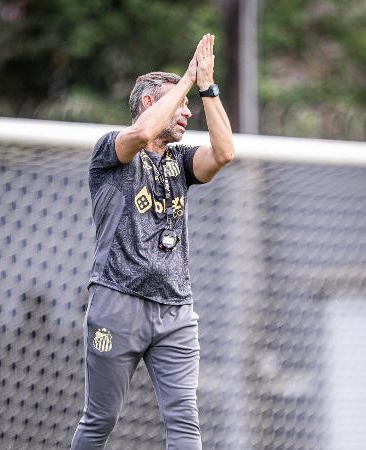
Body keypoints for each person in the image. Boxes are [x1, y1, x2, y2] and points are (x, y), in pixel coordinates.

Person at [71, 34, 234, 450]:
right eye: (179, 105)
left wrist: (206, 86)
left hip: (176, 310)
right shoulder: (111, 150)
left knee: (185, 424)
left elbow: (224, 153)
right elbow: (142, 134)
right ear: (150, 104)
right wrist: (186, 77)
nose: (187, 111)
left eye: (188, 104)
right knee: (100, 421)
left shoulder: (179, 162)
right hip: (117, 304)